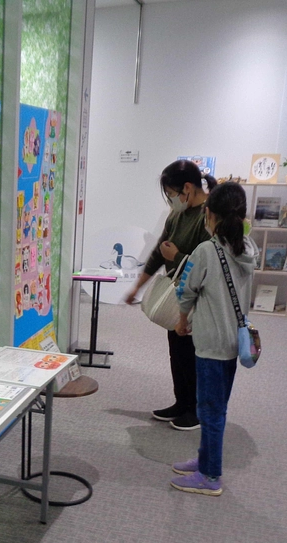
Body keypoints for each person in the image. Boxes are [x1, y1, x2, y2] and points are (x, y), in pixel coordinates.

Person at [170, 181, 258, 496]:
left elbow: (186, 290)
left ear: (209, 213)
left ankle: (210, 476)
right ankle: (205, 458)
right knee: (216, 406)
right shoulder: (249, 248)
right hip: (234, 342)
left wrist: (182, 321)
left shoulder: (206, 250)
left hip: (209, 343)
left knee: (210, 410)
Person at [124, 160, 217, 431]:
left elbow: (211, 264)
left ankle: (196, 410)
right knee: (177, 350)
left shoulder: (209, 216)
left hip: (200, 298)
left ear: (187, 187)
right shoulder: (177, 215)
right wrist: (137, 286)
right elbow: (158, 252)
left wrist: (175, 256)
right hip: (177, 294)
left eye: (171, 193)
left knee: (193, 352)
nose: (171, 200)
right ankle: (181, 402)